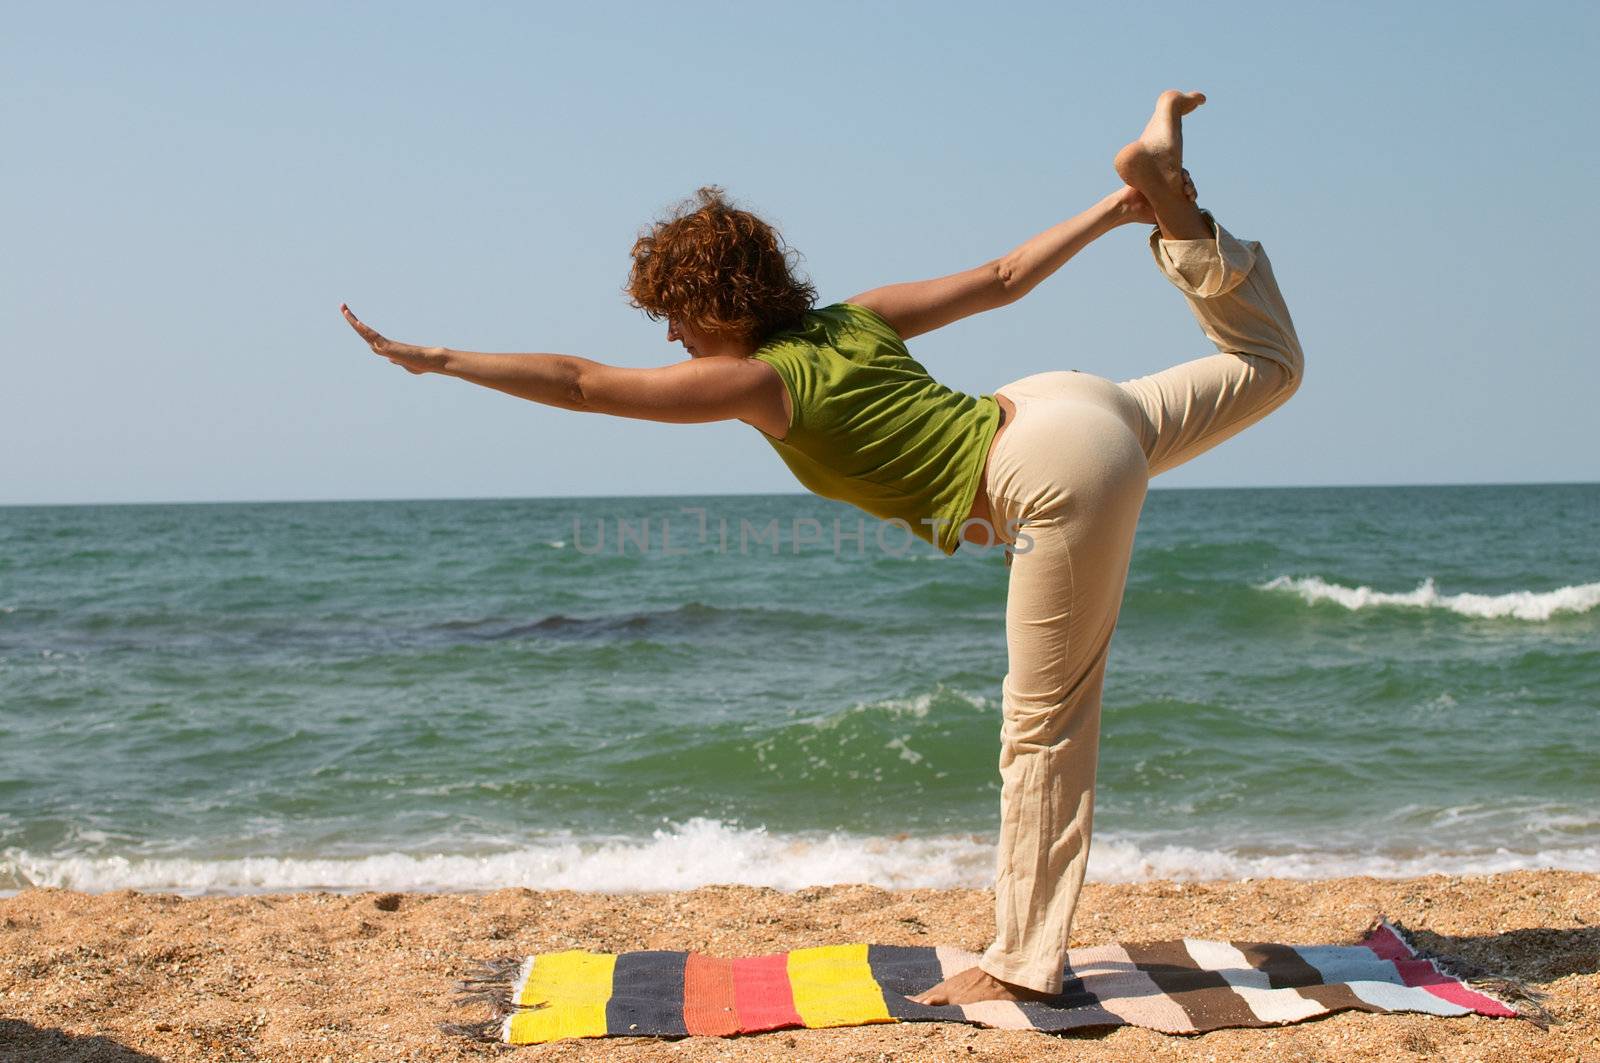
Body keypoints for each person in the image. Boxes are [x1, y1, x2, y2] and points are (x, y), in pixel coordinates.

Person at [341, 89, 1304, 1006]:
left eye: (674, 316)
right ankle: (1177, 207)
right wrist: (1115, 211)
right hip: (1061, 403)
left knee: (1044, 723)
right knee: (1268, 366)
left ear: (717, 304)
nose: (672, 337)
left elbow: (585, 383)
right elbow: (1008, 275)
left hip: (1047, 471)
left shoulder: (760, 382)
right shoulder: (856, 316)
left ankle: (1019, 961)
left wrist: (443, 360)